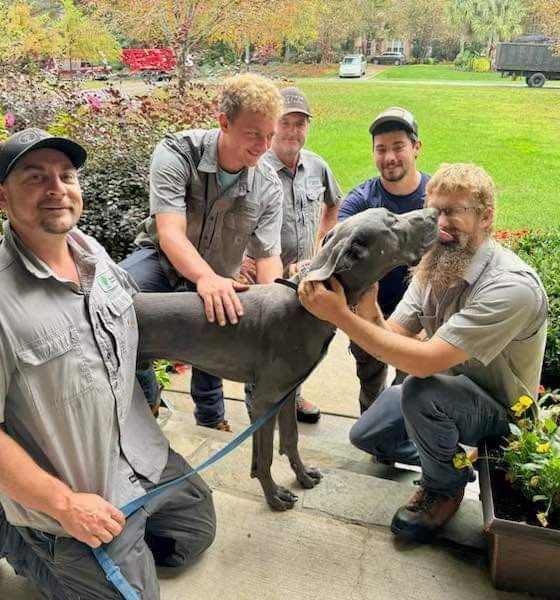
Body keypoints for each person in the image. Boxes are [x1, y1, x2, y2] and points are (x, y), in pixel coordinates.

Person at [0, 128, 215, 599]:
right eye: (36, 177)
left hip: (142, 458)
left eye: (66, 175)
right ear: (1, 195)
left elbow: (135, 336)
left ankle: (99, 554)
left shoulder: (94, 255)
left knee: (192, 536)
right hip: (72, 487)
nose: (57, 188)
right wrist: (65, 505)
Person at [299, 163, 548, 543]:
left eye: (453, 211)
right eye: (434, 210)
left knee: (419, 390)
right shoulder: (434, 267)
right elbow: (392, 336)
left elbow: (422, 360)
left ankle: (443, 488)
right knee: (368, 434)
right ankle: (456, 463)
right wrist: (366, 299)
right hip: (446, 390)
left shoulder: (511, 287)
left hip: (503, 415)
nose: (440, 222)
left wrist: (338, 316)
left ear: (486, 217)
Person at [121, 73, 284, 432]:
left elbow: (268, 254)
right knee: (116, 303)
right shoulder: (178, 152)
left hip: (222, 275)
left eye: (270, 135)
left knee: (217, 337)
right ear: (224, 122)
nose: (263, 146)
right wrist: (204, 278)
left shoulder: (268, 185)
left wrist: (273, 305)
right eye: (254, 134)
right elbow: (170, 233)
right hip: (163, 261)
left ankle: (211, 422)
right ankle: (146, 398)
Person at [241, 86, 342, 424]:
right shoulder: (253, 169)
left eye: (300, 124)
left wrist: (320, 246)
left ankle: (292, 398)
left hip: (305, 277)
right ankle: (260, 410)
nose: (293, 131)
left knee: (298, 345)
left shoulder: (318, 166)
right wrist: (243, 257)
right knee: (264, 347)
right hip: (266, 279)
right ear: (274, 124)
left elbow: (333, 204)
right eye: (286, 122)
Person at [337, 106, 431, 414]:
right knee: (370, 386)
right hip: (368, 316)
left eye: (398, 146)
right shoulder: (361, 201)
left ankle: (397, 437)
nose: (389, 157)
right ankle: (373, 437)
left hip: (420, 318)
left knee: (409, 388)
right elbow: (338, 247)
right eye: (381, 149)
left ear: (416, 147)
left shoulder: (435, 198)